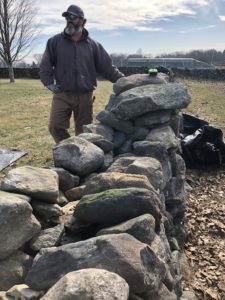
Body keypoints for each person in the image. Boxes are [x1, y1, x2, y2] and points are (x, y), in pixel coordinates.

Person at [40, 5, 124, 143]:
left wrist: (124, 82)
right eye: (67, 17)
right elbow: (45, 64)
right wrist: (48, 82)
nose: (69, 20)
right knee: (55, 127)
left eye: (72, 17)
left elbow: (108, 68)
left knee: (84, 133)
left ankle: (80, 158)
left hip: (86, 96)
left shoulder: (93, 45)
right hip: (62, 94)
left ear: (83, 21)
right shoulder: (54, 42)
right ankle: (68, 149)